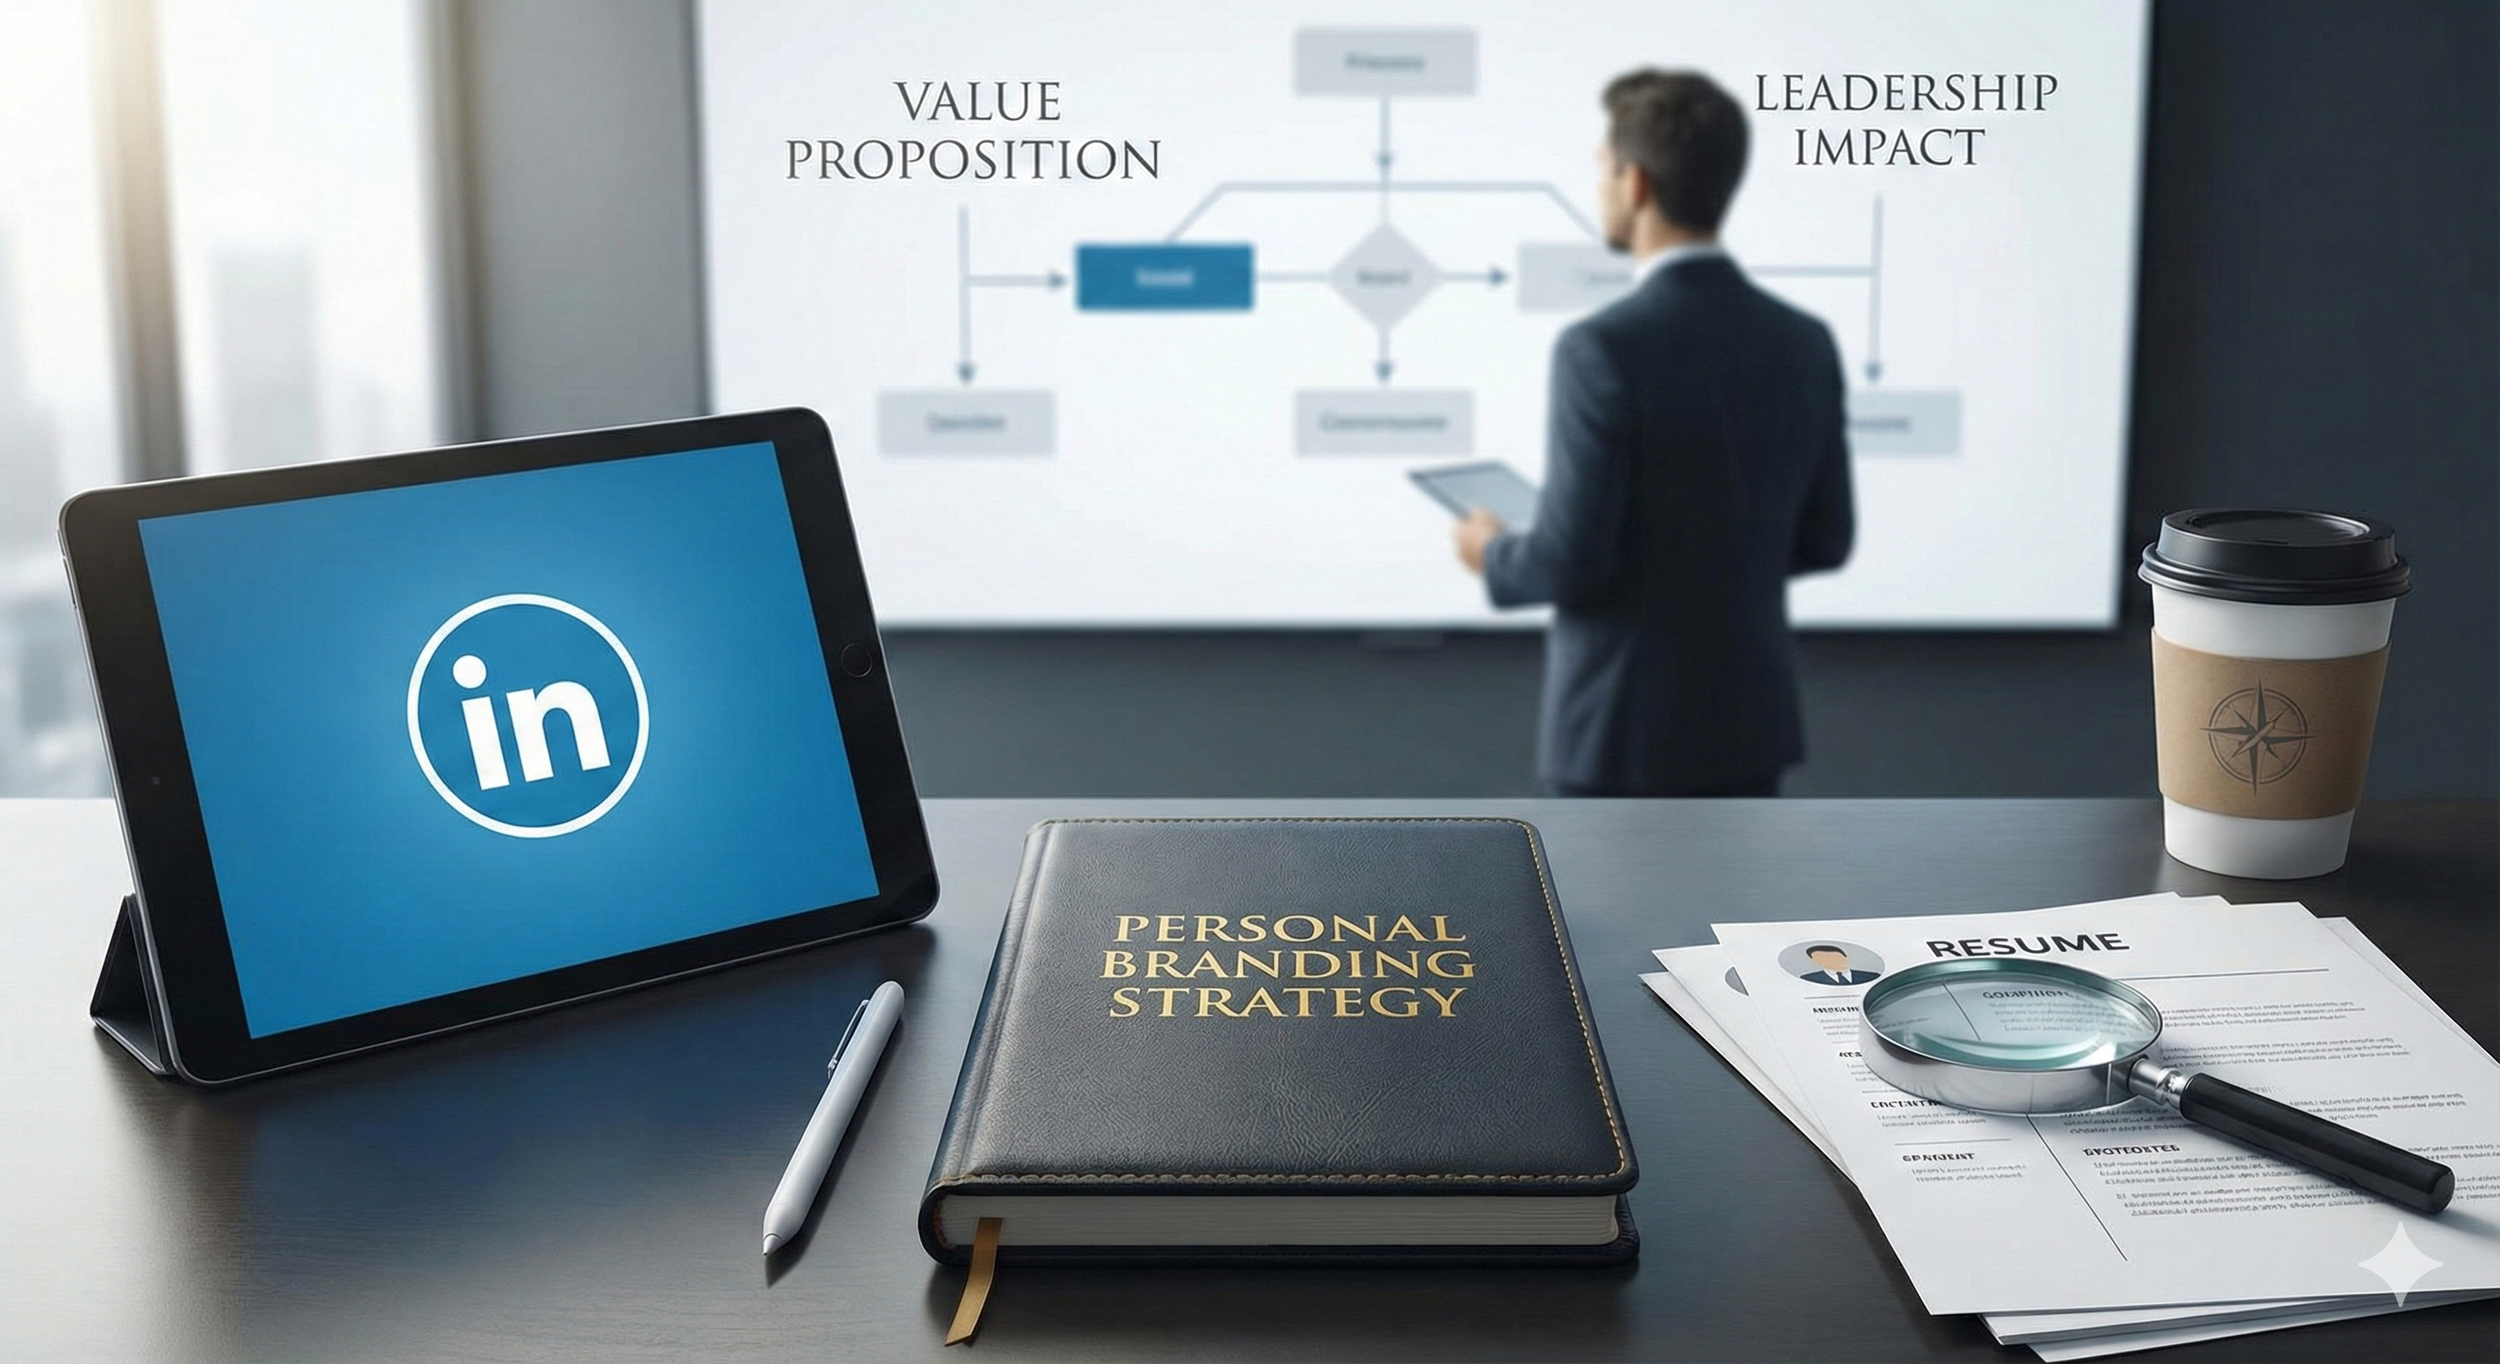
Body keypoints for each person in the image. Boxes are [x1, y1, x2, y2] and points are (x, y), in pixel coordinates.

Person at [1454, 69, 1855, 797]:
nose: (1601, 187)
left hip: (1620, 730)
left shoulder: (1600, 348)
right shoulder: (1803, 340)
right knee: (1734, 914)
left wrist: (1494, 553)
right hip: (1749, 728)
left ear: (1635, 182)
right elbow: (1826, 540)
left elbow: (1569, 563)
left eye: (1603, 169)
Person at [1798, 945, 1880, 986]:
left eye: (1834, 957)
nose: (1829, 961)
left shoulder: (1872, 977)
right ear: (1815, 961)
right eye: (1821, 958)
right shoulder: (1808, 980)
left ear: (1846, 957)